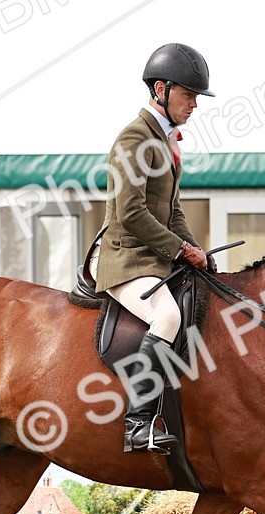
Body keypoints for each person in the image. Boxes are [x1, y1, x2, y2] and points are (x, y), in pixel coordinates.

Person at [94, 43, 214, 455]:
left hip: (154, 258)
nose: (195, 104)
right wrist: (180, 250)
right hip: (126, 259)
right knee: (167, 316)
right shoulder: (134, 138)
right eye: (189, 94)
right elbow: (129, 212)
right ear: (161, 89)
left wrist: (199, 253)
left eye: (197, 97)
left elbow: (173, 211)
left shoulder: (165, 142)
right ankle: (137, 424)